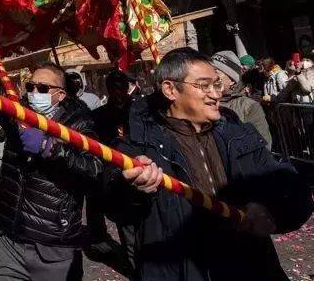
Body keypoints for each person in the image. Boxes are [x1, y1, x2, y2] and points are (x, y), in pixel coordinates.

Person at [104, 47, 314, 281]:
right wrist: (134, 190)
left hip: (249, 267)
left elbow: (287, 183)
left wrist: (272, 209)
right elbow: (113, 205)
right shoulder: (137, 145)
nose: (217, 94)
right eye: (204, 85)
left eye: (217, 84)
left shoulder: (238, 133)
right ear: (170, 89)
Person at [0, 63, 103, 280]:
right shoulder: (18, 113)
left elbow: (94, 169)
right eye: (30, 86)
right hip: (9, 240)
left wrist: (50, 148)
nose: (34, 93)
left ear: (60, 95)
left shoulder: (79, 122)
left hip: (52, 245)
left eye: (42, 89)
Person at [85, 69, 143, 276]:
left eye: (123, 86)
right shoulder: (98, 116)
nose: (120, 91)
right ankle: (135, 267)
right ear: (109, 89)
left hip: (141, 172)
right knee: (126, 225)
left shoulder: (140, 112)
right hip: (114, 176)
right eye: (115, 87)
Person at [211, 50, 273, 147]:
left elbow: (263, 146)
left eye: (215, 72)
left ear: (231, 80)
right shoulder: (200, 102)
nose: (209, 77)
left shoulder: (249, 106)